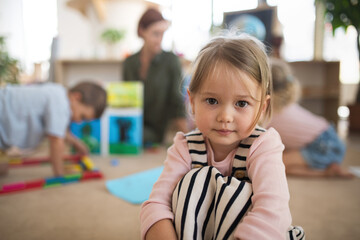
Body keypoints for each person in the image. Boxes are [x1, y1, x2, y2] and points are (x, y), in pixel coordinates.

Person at [140, 35, 304, 240]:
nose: (225, 117)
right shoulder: (185, 147)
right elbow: (156, 205)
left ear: (262, 108)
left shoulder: (264, 145)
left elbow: (273, 211)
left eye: (241, 103)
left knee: (244, 193)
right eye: (212, 100)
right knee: (193, 181)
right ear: (192, 102)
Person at [266, 58, 354, 178]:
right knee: (276, 160)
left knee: (270, 164)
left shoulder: (270, 112)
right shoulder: (283, 103)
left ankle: (326, 172)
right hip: (329, 138)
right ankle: (324, 166)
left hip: (324, 145)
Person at [0, 81, 107, 176]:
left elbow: (62, 133)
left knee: (3, 168)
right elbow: (56, 140)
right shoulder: (61, 103)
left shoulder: (58, 93)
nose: (79, 122)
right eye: (82, 116)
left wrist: (77, 144)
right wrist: (60, 173)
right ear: (76, 97)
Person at [122, 8, 188, 145]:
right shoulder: (129, 63)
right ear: (142, 32)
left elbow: (176, 100)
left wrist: (189, 139)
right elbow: (125, 100)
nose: (159, 40)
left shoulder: (171, 60)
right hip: (131, 124)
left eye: (162, 34)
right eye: (155, 34)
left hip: (157, 130)